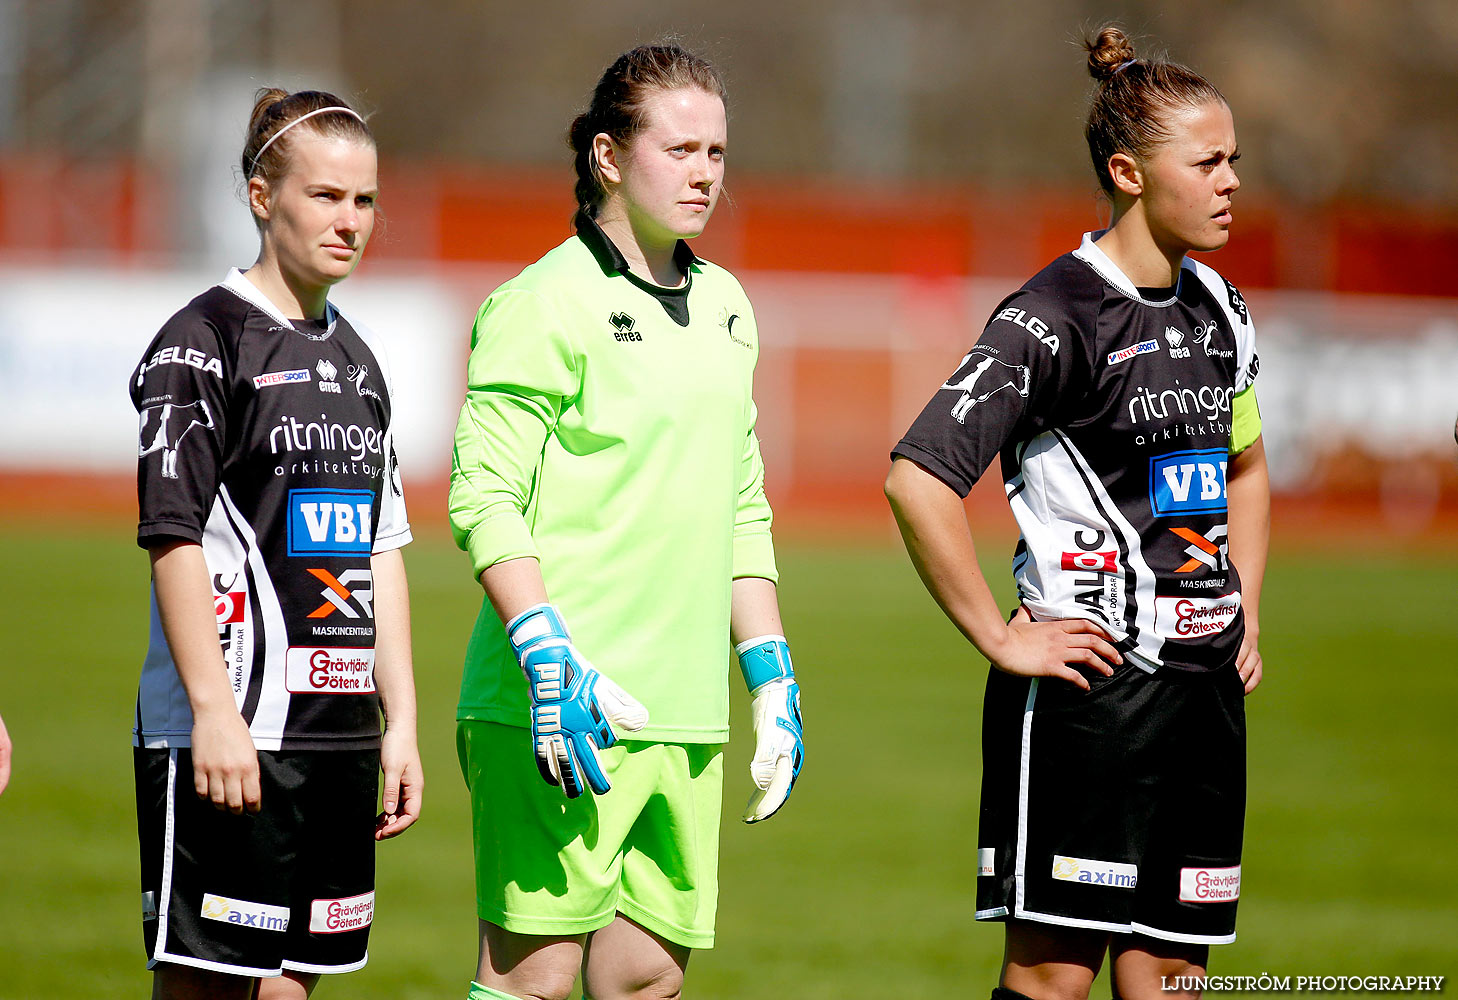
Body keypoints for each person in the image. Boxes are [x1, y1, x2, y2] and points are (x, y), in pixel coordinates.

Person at [885, 25, 1269, 1000]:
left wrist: (1246, 607)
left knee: (1173, 977)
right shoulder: (1049, 316)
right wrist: (998, 637)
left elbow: (1247, 463)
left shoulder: (1222, 307)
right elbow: (919, 477)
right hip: (1085, 701)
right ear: (1129, 172)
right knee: (1055, 976)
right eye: (1209, 161)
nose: (1232, 180)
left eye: (1236, 159)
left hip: (1203, 703)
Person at [449, 43, 804, 1000]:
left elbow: (740, 501)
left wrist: (767, 672)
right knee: (535, 979)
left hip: (688, 713)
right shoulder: (542, 302)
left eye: (717, 153)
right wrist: (543, 650)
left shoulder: (729, 306)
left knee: (646, 981)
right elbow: (482, 495)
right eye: (679, 148)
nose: (703, 174)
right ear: (609, 157)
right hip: (558, 701)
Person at [129, 88, 421, 1000]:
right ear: (264, 197)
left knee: (296, 988)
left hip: (339, 742)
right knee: (209, 987)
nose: (351, 221)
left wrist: (399, 720)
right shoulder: (202, 340)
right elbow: (172, 538)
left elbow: (380, 547)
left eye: (365, 200)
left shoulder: (360, 361)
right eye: (326, 196)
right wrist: (213, 713)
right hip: (232, 730)